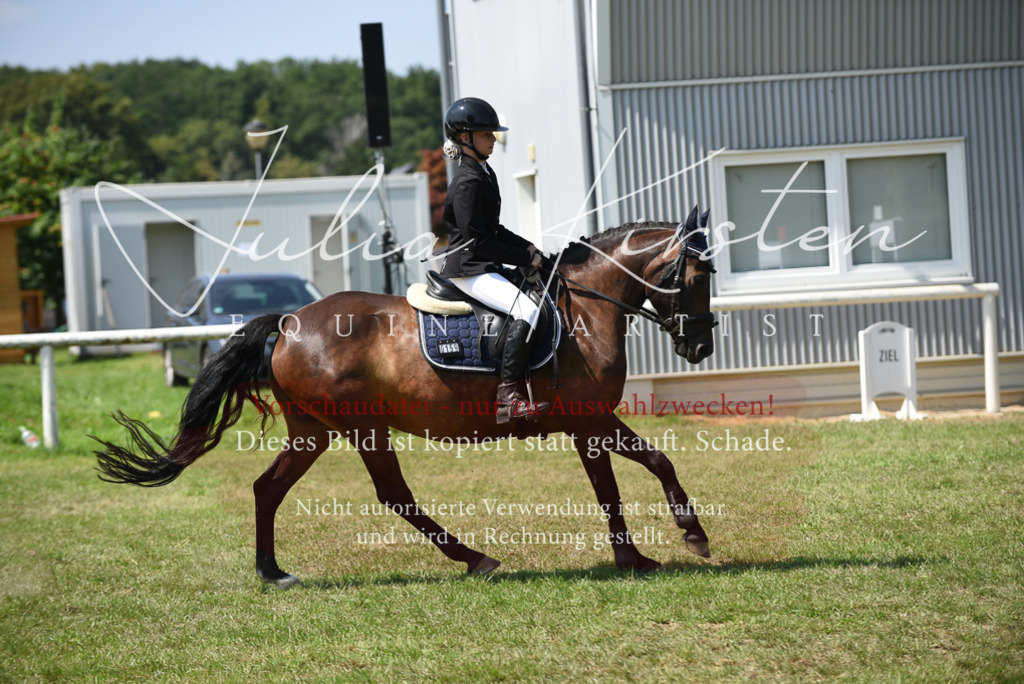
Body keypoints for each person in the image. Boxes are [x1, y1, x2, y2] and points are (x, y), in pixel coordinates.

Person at [439, 97, 551, 424]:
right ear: (465, 139)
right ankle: (508, 399)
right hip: (468, 268)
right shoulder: (468, 181)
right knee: (526, 310)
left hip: (482, 264)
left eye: (492, 133)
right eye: (486, 133)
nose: (493, 138)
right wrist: (521, 258)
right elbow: (478, 240)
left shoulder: (484, 173)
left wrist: (528, 248)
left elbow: (496, 229)